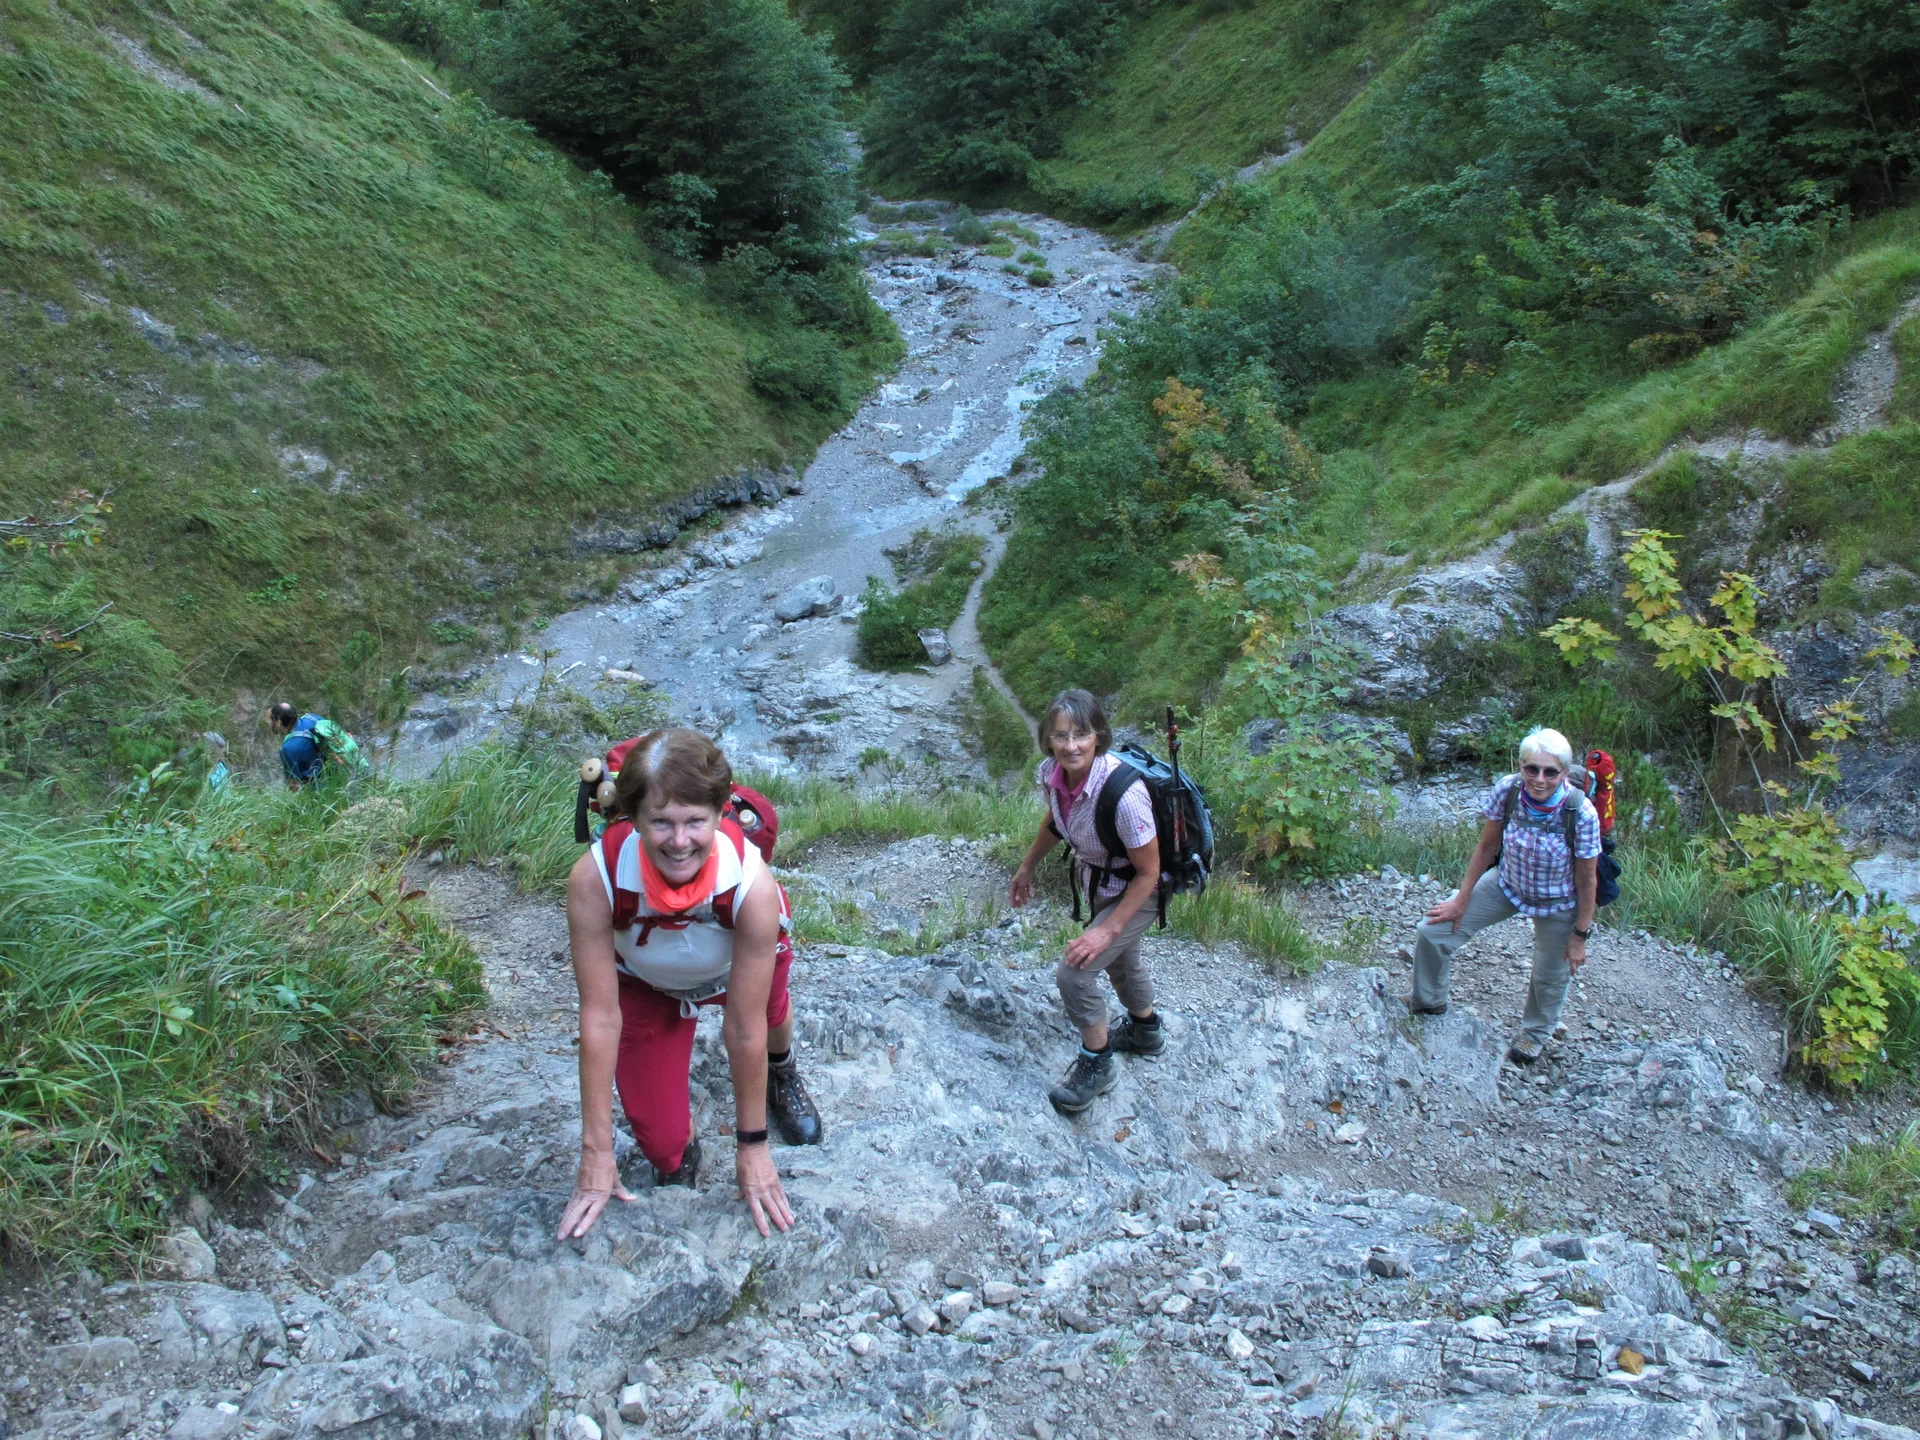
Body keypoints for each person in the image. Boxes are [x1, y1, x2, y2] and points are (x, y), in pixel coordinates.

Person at [558, 729, 822, 1241]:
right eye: (660, 822)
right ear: (633, 819)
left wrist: (753, 1146)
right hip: (644, 982)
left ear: (721, 813)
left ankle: (782, 1070)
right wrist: (596, 1153)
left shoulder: (751, 885)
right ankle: (681, 1149)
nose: (680, 842)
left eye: (695, 822)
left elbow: (742, 1026)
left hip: (732, 966)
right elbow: (599, 1016)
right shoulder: (596, 880)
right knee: (662, 1145)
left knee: (768, 1014)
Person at [1010, 689, 1165, 1115]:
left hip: (1142, 888)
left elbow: (1149, 872)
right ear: (1048, 739)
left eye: (1081, 734)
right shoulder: (1051, 774)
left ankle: (1098, 1065)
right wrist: (1027, 867)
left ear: (1099, 737)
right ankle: (1145, 1031)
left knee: (1075, 972)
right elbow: (1056, 820)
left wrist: (1107, 929)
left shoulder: (1124, 796)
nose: (1071, 745)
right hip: (1102, 881)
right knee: (1120, 960)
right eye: (1061, 736)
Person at [1408, 727, 1602, 1064]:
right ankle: (1428, 1000)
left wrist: (1580, 935)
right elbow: (1487, 846)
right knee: (1433, 930)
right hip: (1507, 883)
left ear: (1564, 774)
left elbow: (1587, 879)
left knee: (1548, 974)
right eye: (1531, 769)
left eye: (1550, 772)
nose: (1539, 779)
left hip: (1559, 900)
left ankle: (1535, 1034)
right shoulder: (1508, 790)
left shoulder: (1580, 812)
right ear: (1521, 765)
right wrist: (1461, 899)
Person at [267, 701, 366, 787]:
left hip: (322, 790)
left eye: (270, 720)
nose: (267, 722)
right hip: (345, 773)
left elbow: (293, 786)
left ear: (278, 722)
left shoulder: (288, 749)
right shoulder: (311, 718)